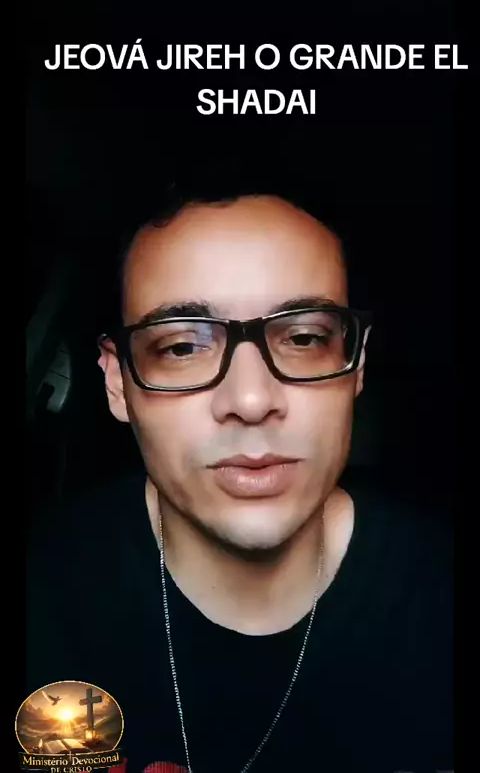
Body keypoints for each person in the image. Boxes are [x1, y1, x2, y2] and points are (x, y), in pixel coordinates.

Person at [26, 178, 453, 773]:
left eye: (304, 337)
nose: (251, 400)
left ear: (356, 364)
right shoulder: (42, 591)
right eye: (182, 347)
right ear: (117, 382)